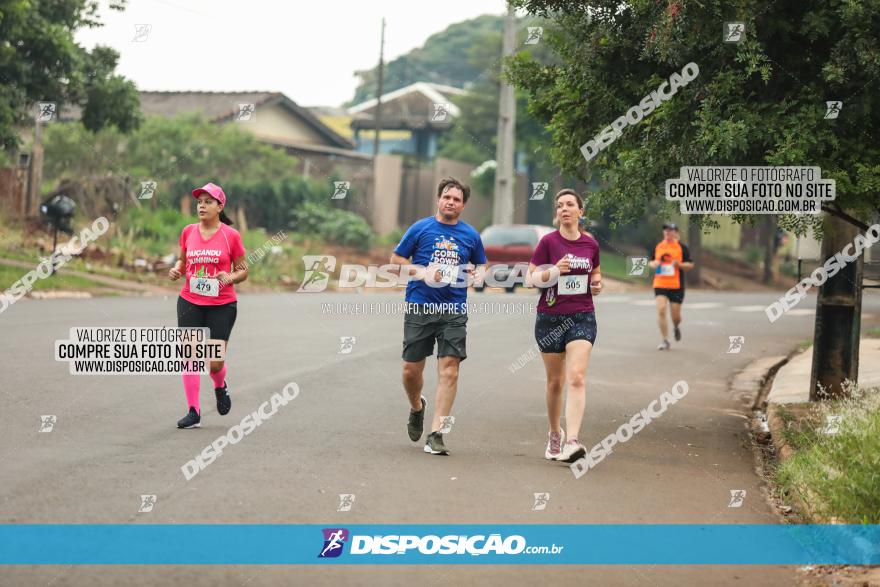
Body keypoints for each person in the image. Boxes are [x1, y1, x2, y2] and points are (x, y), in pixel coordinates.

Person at [390, 177, 487, 455]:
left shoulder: (470, 235)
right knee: (410, 371)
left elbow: (481, 263)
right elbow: (396, 261)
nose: (451, 202)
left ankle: (436, 433)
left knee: (450, 370)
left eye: (456, 199)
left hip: (454, 309)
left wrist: (478, 275)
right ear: (438, 199)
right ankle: (416, 406)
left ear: (463, 205)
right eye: (447, 197)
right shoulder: (420, 229)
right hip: (420, 305)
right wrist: (422, 273)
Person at [527, 189, 602, 463]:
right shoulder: (548, 242)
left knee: (577, 376)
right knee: (555, 382)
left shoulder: (590, 245)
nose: (564, 209)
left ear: (581, 211)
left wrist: (597, 283)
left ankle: (573, 440)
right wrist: (555, 270)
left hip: (582, 316)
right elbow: (531, 278)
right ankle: (554, 433)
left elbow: (595, 272)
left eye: (570, 205)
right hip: (549, 318)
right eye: (560, 206)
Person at [168, 183, 248, 428]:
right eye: (199, 201)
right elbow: (183, 261)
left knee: (214, 362)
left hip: (222, 304)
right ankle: (194, 411)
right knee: (190, 355)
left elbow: (243, 270)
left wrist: (230, 277)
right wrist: (177, 270)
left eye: (208, 201)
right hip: (190, 301)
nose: (201, 205)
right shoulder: (188, 231)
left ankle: (219, 384)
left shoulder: (230, 236)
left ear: (220, 206)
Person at [650, 223, 694, 350]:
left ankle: (676, 326)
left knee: (676, 317)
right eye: (665, 230)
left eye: (670, 230)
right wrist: (655, 264)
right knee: (661, 310)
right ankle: (665, 340)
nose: (667, 232)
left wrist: (679, 265)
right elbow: (651, 261)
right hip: (660, 283)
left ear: (675, 232)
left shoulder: (682, 247)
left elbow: (690, 265)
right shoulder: (659, 246)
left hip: (676, 285)